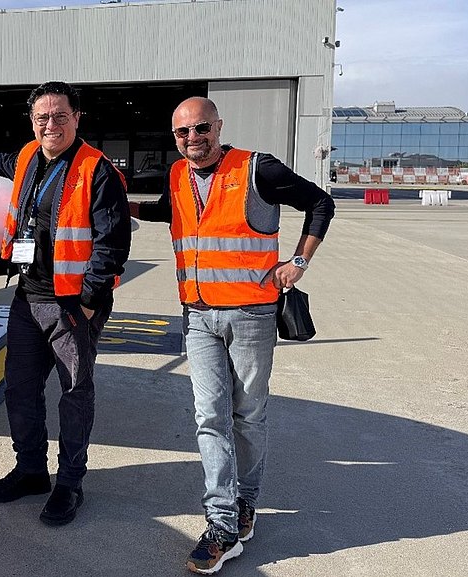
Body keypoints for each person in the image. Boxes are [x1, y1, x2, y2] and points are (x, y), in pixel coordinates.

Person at [130, 97, 335, 574]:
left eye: (201, 128)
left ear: (218, 126)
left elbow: (320, 203)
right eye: (182, 133)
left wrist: (298, 262)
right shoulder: (178, 175)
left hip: (251, 315)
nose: (192, 139)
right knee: (209, 417)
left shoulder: (257, 169)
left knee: (247, 416)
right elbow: (169, 211)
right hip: (197, 314)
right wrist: (122, 202)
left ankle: (246, 501)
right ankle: (222, 523)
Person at [0, 81, 131, 526]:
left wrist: (90, 302)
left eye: (60, 116)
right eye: (42, 117)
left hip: (72, 305)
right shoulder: (27, 156)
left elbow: (112, 245)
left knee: (74, 394)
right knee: (19, 388)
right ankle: (31, 470)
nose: (50, 124)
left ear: (78, 118)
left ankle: (70, 483)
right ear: (32, 120)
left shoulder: (97, 171)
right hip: (28, 296)